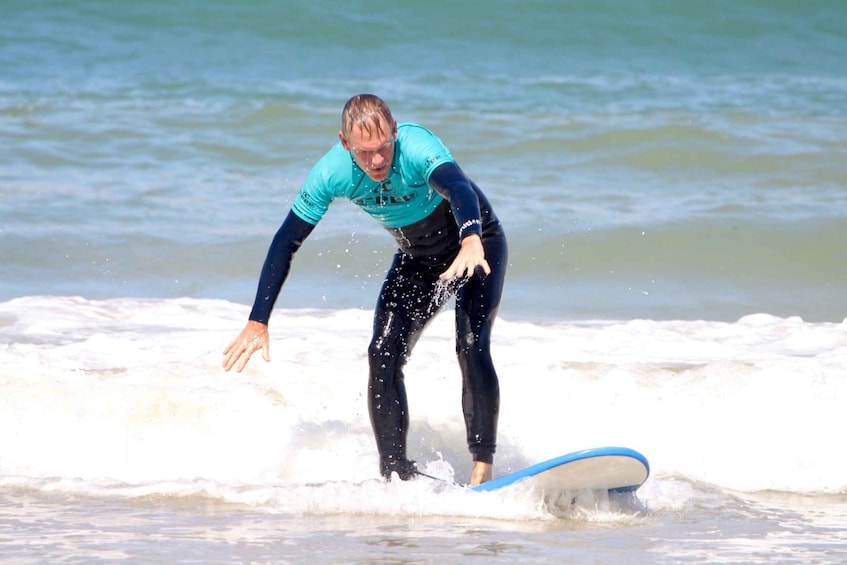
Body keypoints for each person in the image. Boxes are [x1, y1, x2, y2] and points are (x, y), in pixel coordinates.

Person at [222, 94, 507, 486]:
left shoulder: (417, 146)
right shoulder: (331, 173)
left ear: (395, 132)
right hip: (418, 260)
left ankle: (482, 469)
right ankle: (395, 473)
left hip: (476, 243)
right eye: (365, 151)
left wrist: (471, 235)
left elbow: (458, 187)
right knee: (382, 353)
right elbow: (287, 240)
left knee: (470, 344)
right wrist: (258, 319)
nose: (377, 161)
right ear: (345, 144)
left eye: (384, 147)